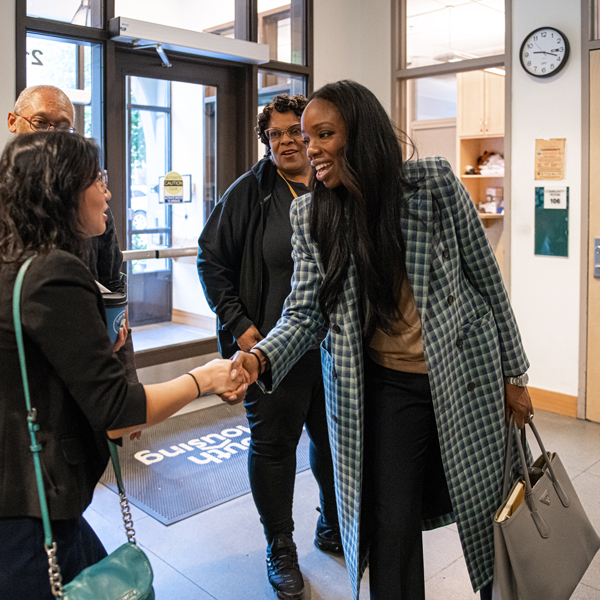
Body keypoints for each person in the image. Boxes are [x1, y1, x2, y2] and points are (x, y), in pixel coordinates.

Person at [230, 80, 534, 600]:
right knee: (391, 524)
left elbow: (486, 281)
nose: (313, 147)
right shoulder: (312, 215)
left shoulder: (433, 186)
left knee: (492, 510)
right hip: (389, 388)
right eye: (308, 137)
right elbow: (304, 312)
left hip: (469, 376)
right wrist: (259, 357)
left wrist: (515, 375)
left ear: (361, 132)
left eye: (324, 134)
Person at [0, 131, 247, 600]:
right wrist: (205, 378)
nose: (108, 193)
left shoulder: (14, 262)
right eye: (98, 180)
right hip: (32, 504)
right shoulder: (53, 272)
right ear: (64, 191)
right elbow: (117, 406)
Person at [197, 93, 340, 600]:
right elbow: (209, 260)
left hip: (333, 352)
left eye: (294, 132)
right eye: (274, 134)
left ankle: (333, 521)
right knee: (275, 446)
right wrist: (239, 326)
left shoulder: (335, 183)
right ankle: (280, 545)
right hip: (272, 352)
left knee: (332, 442)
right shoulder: (250, 192)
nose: (285, 141)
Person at [7, 84, 137, 374]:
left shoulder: (85, 200)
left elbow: (111, 274)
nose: (52, 135)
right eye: (41, 122)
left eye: (63, 128)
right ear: (13, 121)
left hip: (90, 349)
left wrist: (114, 329)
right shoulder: (8, 200)